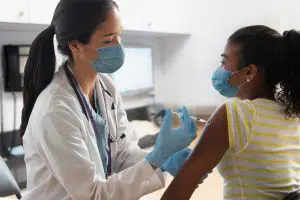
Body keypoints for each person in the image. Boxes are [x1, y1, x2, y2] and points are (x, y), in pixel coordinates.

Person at [20, 0, 197, 199]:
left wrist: (165, 158)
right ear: (75, 45)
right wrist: (156, 159)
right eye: (108, 40)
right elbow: (92, 194)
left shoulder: (106, 87)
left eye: (119, 35)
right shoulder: (55, 111)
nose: (118, 47)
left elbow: (122, 154)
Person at [161, 25, 300, 200]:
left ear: (249, 71)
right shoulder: (292, 112)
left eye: (224, 62)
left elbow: (176, 195)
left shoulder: (236, 113)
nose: (219, 69)